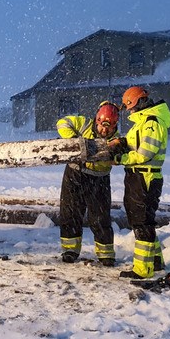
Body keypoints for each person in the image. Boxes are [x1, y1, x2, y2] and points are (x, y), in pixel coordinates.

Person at [108, 86, 170, 279]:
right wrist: (120, 143)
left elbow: (145, 154)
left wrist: (120, 159)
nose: (129, 111)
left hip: (145, 176)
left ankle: (143, 270)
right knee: (141, 221)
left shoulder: (152, 123)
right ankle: (155, 261)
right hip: (137, 176)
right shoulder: (142, 123)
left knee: (142, 222)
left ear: (140, 103)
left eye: (130, 106)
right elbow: (135, 144)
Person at [55, 101, 121, 266]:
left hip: (99, 179)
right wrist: (73, 142)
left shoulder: (117, 140)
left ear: (115, 125)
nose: (105, 131)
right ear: (97, 120)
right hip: (75, 174)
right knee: (70, 213)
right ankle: (70, 250)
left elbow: (119, 158)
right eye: (102, 126)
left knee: (100, 217)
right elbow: (62, 123)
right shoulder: (84, 123)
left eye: (109, 128)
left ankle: (106, 254)